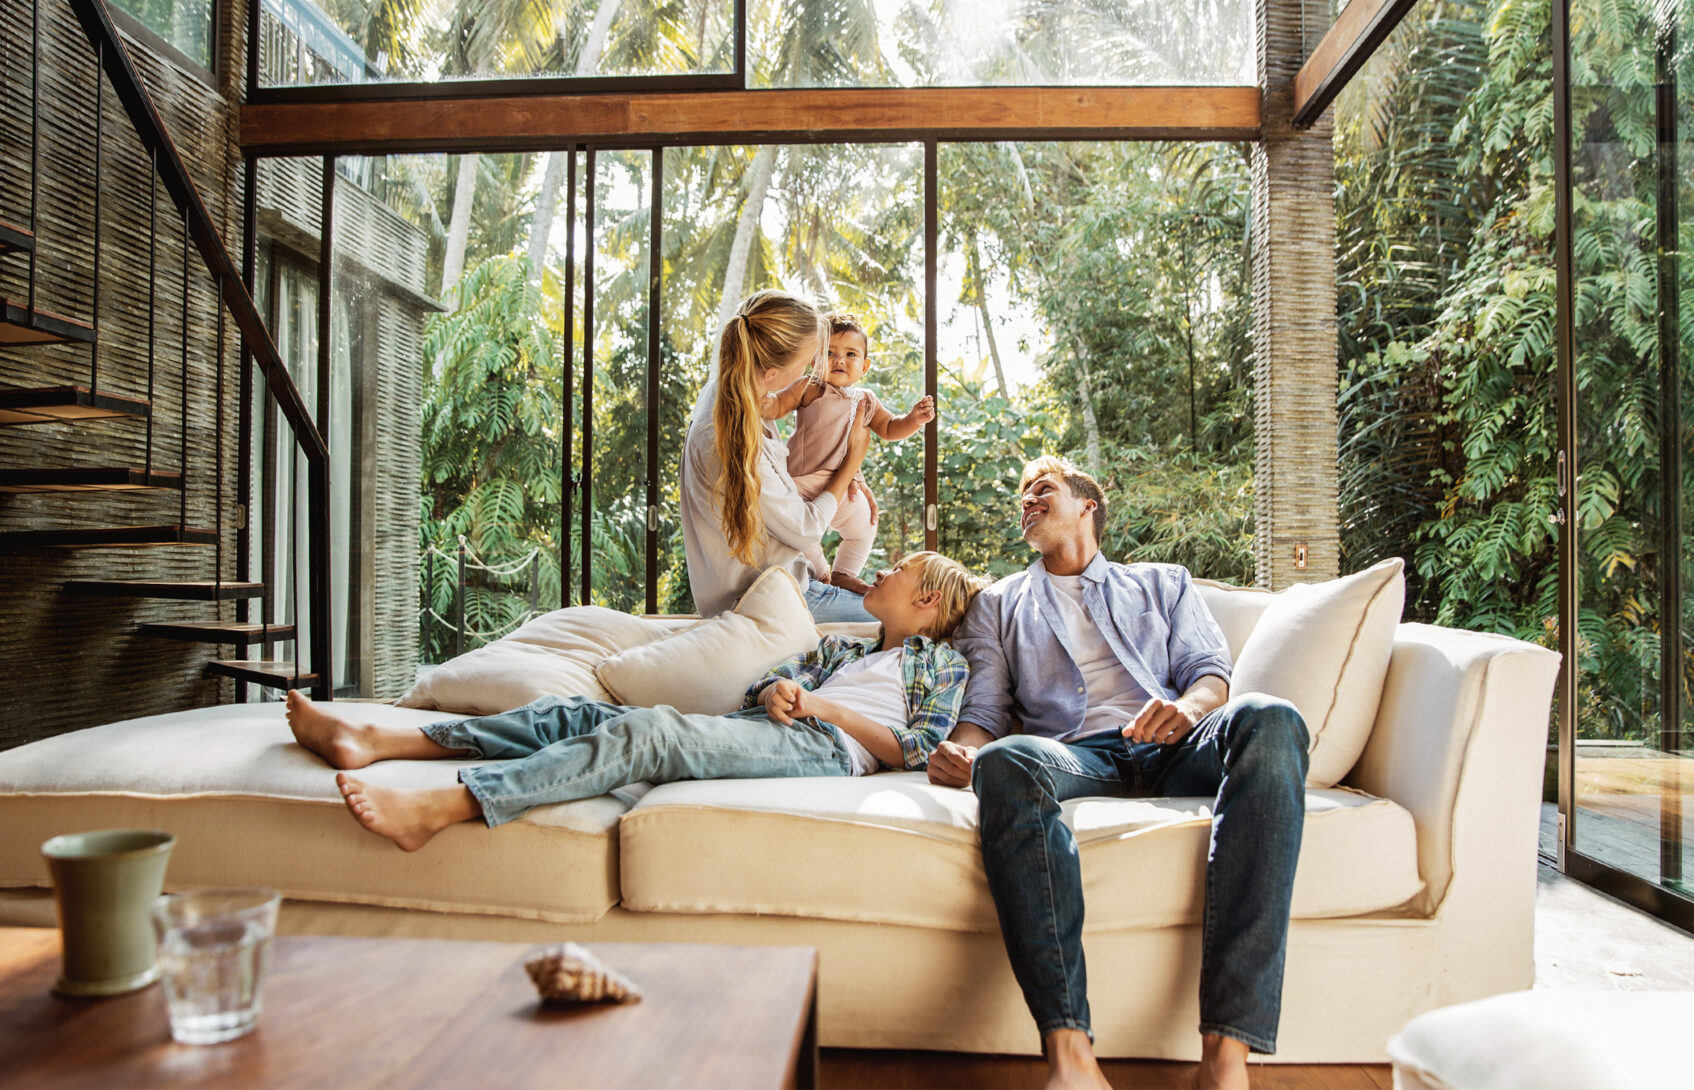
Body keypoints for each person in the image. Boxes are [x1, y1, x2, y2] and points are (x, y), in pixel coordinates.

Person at [928, 455, 1309, 1090]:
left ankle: (1225, 1058)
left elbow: (1211, 674)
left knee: (1270, 717)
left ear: (1087, 505)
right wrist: (962, 750)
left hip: (1175, 742)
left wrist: (1185, 712)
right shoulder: (998, 603)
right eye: (1021, 496)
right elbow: (987, 710)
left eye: (1042, 489)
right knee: (1004, 760)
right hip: (1078, 755)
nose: (1027, 501)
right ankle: (1072, 1061)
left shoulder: (1165, 583)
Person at [286, 551, 988, 853]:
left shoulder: (941, 664)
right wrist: (776, 691)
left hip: (827, 751)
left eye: (900, 570)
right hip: (770, 728)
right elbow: (766, 687)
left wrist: (822, 711)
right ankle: (380, 742)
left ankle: (451, 805)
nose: (885, 568)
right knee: (574, 714)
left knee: (649, 734)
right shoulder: (847, 649)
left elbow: (917, 750)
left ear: (926, 600)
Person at [680, 290, 875, 622]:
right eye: (806, 363)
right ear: (772, 373)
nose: (810, 373)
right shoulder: (731, 436)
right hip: (769, 600)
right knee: (906, 620)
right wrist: (851, 461)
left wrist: (844, 480)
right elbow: (804, 530)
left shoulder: (733, 396)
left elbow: (781, 489)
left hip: (772, 586)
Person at [763, 312, 936, 585]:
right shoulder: (809, 387)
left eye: (851, 354)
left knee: (865, 525)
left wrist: (914, 419)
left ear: (865, 366)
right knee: (795, 525)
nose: (839, 360)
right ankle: (820, 571)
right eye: (829, 352)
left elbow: (890, 427)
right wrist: (762, 400)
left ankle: (844, 572)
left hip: (846, 486)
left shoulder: (867, 399)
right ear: (814, 360)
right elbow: (776, 406)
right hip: (802, 482)